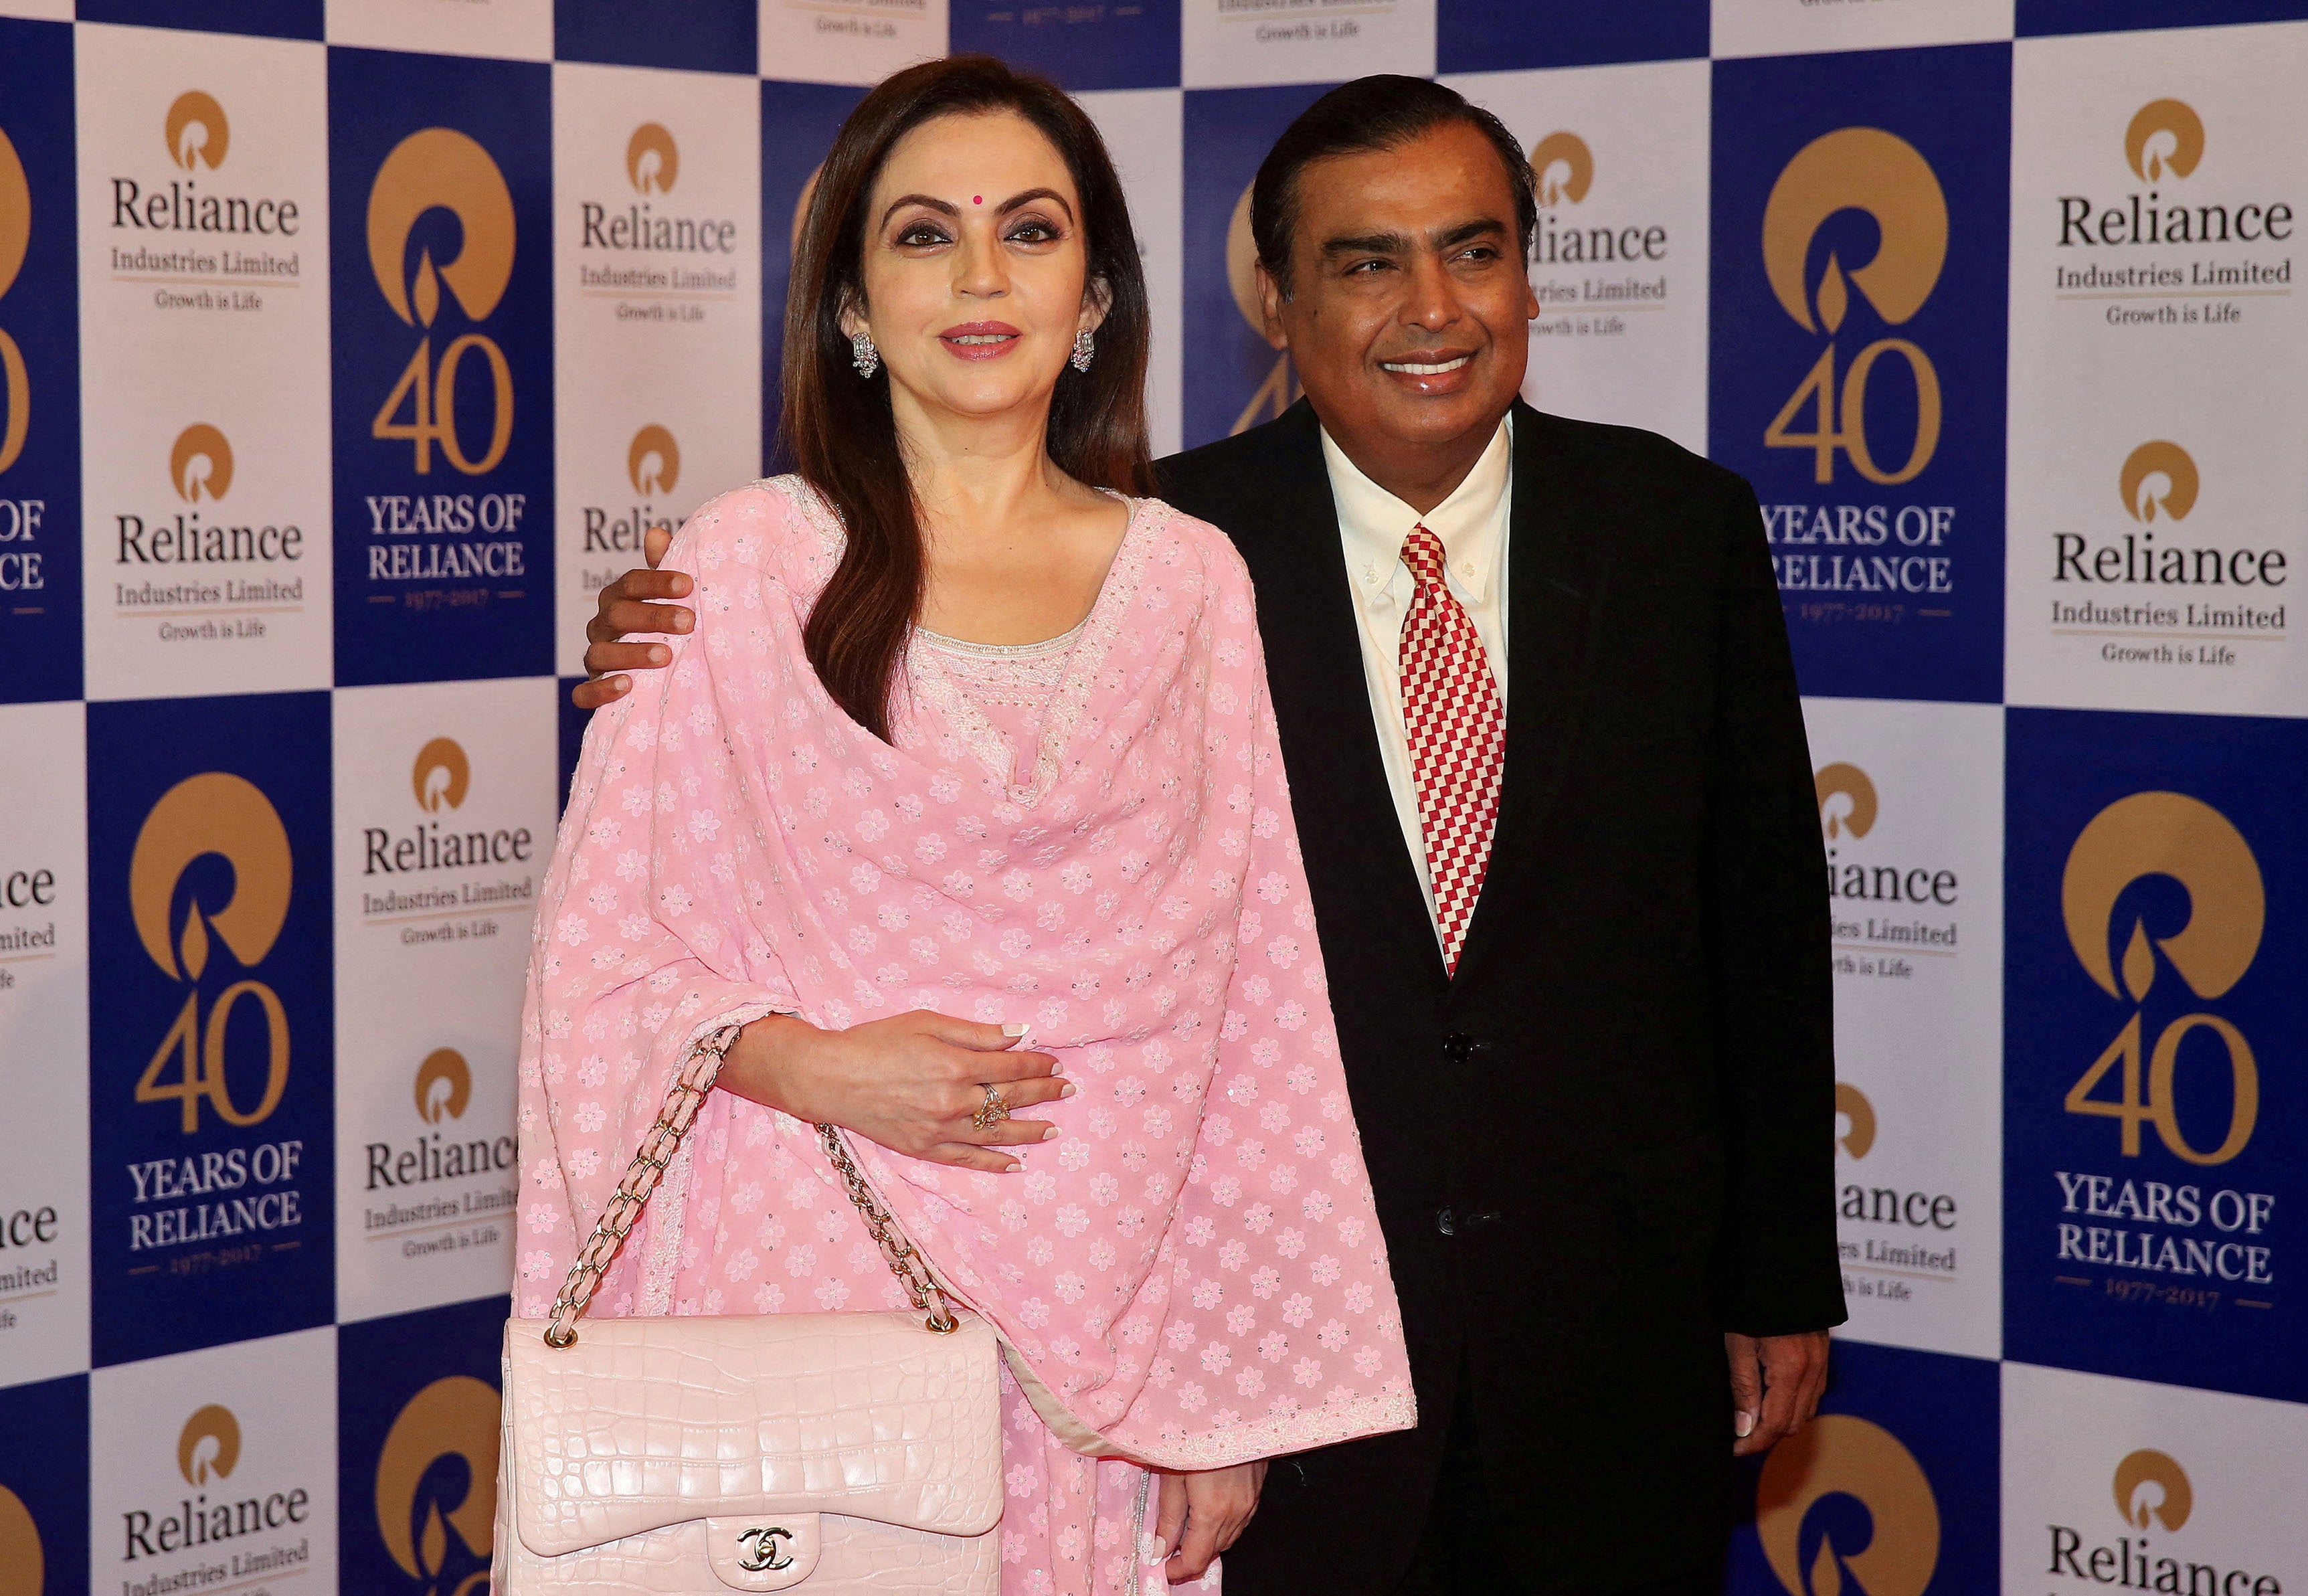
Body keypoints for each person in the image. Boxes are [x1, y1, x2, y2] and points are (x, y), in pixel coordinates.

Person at [578, 74, 1843, 1596]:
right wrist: (663, 648)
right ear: (1278, 303)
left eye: (1474, 249)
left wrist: (1776, 1271)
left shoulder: (1675, 526)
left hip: (1598, 1323)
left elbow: (1759, 920)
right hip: (1204, 1357)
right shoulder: (1179, 543)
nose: (1429, 305)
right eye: (1367, 262)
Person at [517, 56, 1416, 1596]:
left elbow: (1250, 997)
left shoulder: (1190, 580)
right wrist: (816, 1060)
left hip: (1103, 1349)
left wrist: (1221, 1399)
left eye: (1032, 229)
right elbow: (592, 964)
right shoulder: (739, 570)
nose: (982, 275)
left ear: (1099, 295)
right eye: (925, 234)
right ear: (852, 308)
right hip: (798, 1294)